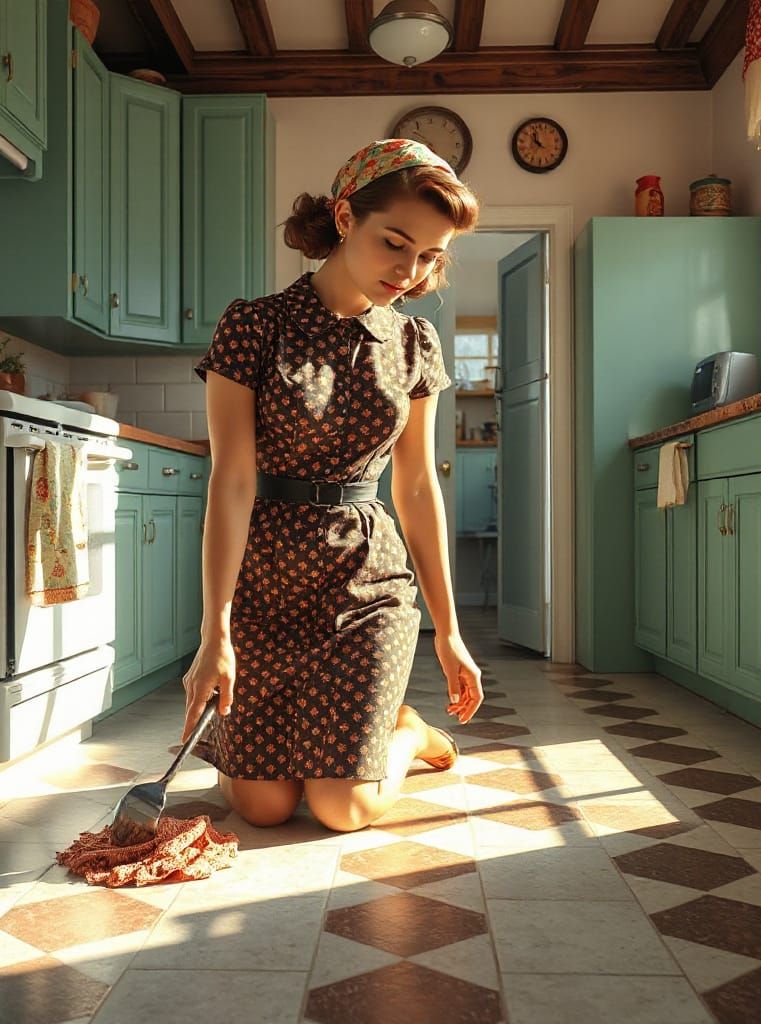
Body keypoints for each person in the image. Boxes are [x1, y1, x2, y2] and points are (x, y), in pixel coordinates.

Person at [182, 138, 484, 833]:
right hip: (266, 584)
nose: (409, 272)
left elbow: (414, 487)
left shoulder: (415, 343)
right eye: (395, 244)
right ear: (346, 218)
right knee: (261, 807)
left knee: (342, 809)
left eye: (429, 257)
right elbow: (231, 481)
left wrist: (450, 631)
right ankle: (327, 741)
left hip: (365, 586)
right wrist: (215, 630)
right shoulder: (253, 325)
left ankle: (404, 733)